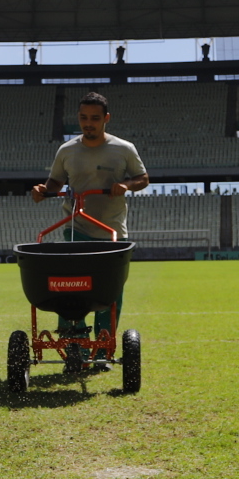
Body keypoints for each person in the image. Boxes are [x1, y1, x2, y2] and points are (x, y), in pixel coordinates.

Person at [32, 92, 150, 361]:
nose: (89, 123)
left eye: (95, 119)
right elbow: (55, 183)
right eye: (84, 118)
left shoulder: (123, 148)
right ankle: (74, 347)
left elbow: (143, 178)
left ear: (106, 119)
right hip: (75, 227)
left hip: (112, 232)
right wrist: (42, 190)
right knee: (70, 288)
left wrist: (126, 185)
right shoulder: (67, 150)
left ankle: (102, 350)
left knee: (109, 293)